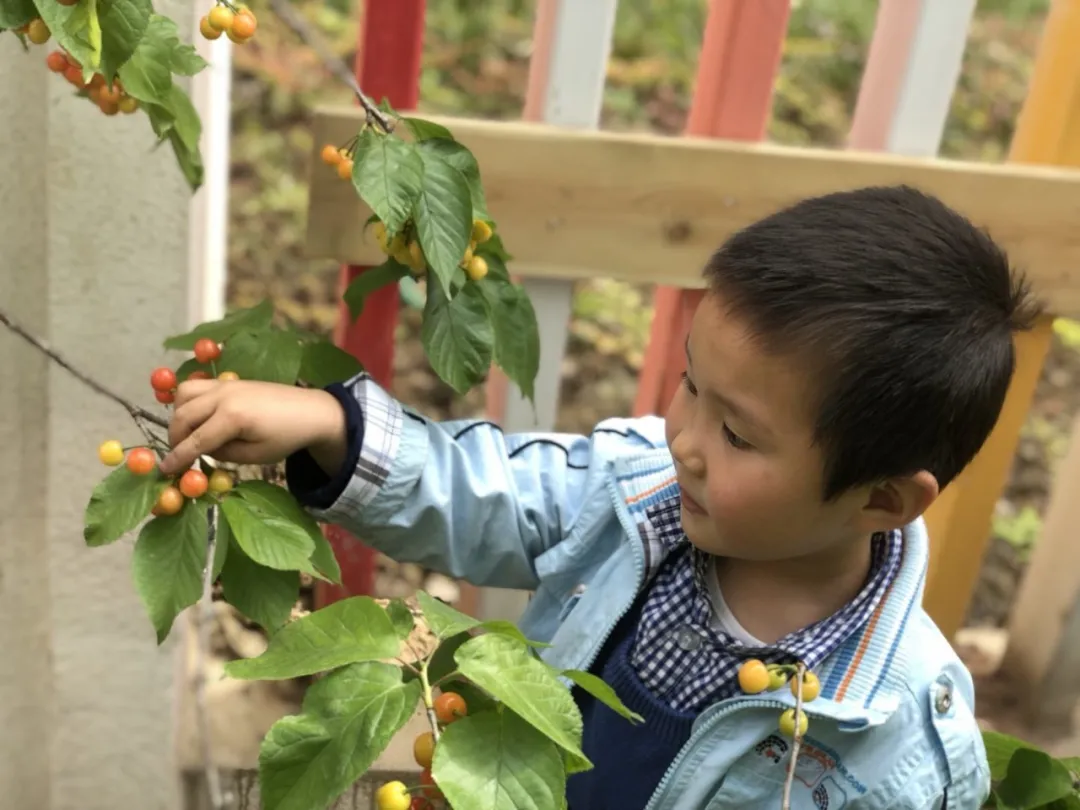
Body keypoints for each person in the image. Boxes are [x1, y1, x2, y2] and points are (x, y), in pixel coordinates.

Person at [159, 185, 1038, 809]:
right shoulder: (639, 496)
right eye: (691, 386)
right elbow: (488, 491)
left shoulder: (890, 752)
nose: (684, 440)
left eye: (737, 434)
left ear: (881, 499)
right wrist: (331, 426)